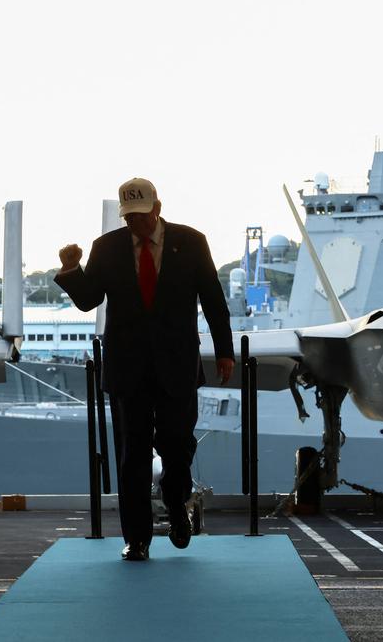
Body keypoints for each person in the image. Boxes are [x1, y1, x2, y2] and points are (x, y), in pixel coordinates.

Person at [55, 178, 234, 561]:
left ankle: (176, 506)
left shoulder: (191, 241)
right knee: (132, 455)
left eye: (140, 215)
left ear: (157, 208)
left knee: (177, 446)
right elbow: (89, 301)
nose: (134, 223)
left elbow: (213, 300)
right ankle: (137, 539)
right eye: (128, 217)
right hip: (128, 367)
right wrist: (71, 270)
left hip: (178, 364)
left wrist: (225, 352)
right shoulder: (108, 247)